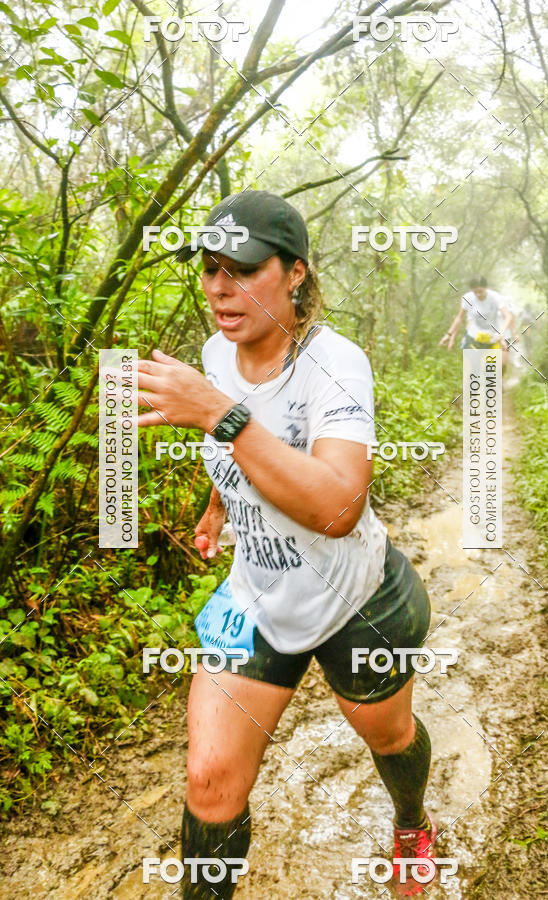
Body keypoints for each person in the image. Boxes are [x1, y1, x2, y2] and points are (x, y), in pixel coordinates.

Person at [136, 190, 435, 898]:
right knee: (210, 782)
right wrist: (218, 506)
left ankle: (412, 821)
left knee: (388, 737)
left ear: (295, 272)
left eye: (240, 269)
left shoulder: (336, 364)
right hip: (260, 599)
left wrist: (217, 412)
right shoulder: (216, 353)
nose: (218, 288)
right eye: (209, 269)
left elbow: (337, 504)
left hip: (355, 601)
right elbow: (236, 449)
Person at [439, 275, 516, 367]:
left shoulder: (495, 297)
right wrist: (449, 334)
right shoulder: (467, 298)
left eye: (480, 291)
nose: (478, 294)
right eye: (475, 292)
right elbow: (460, 318)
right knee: (471, 368)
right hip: (474, 335)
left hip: (492, 336)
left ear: (486, 288)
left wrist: (502, 333)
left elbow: (508, 316)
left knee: (491, 370)